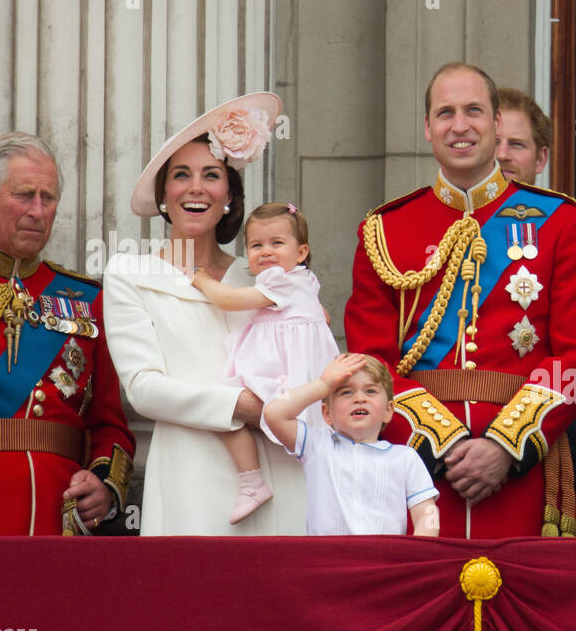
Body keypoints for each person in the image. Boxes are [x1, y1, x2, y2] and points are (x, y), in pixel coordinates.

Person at [344, 62, 576, 539]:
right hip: (415, 472)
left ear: (498, 122)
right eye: (445, 113)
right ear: (427, 128)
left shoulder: (561, 222)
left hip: (522, 471)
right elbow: (371, 363)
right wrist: (440, 446)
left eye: (474, 111)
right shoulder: (385, 229)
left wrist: (506, 447)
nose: (459, 125)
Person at [104, 93, 306, 536]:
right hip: (188, 473)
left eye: (211, 175)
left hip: (280, 468)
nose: (196, 187)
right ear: (163, 196)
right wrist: (244, 406)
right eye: (181, 175)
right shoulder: (131, 273)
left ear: (229, 196)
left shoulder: (260, 276)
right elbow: (143, 389)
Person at [0, 132, 134, 535]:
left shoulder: (86, 298)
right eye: (25, 195)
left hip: (60, 517)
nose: (38, 211)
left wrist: (104, 485)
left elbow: (110, 423)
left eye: (49, 197)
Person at [494, 85, 576, 536]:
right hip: (454, 463)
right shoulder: (445, 246)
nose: (503, 156)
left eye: (516, 144)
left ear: (542, 157)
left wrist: (539, 454)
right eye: (494, 143)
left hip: (553, 472)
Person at [190, 202, 338, 524]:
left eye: (277, 243)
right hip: (293, 371)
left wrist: (200, 279)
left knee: (222, 404)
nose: (266, 252)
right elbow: (322, 315)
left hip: (284, 374)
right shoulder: (305, 280)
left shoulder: (279, 281)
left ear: (301, 253)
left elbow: (228, 300)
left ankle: (251, 481)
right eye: (256, 246)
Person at [265, 352, 440, 536]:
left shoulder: (405, 457)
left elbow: (427, 513)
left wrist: (418, 558)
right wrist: (323, 384)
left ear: (388, 411)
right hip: (327, 561)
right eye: (346, 392)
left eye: (370, 391)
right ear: (327, 414)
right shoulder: (316, 446)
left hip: (384, 561)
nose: (359, 398)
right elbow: (274, 413)